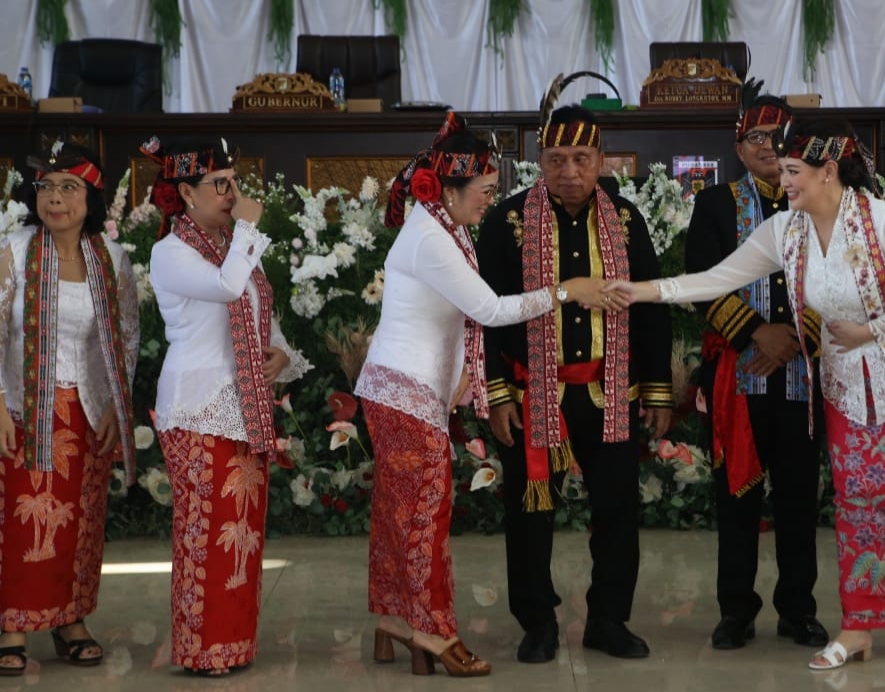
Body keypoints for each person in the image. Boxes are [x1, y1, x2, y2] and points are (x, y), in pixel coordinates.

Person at [604, 120, 885, 668]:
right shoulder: (787, 230)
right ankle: (860, 627)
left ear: (829, 172)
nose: (785, 181)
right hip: (848, 385)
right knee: (858, 501)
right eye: (782, 171)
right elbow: (714, 279)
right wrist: (640, 291)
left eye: (794, 172)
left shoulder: (883, 220)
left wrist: (870, 331)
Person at [356, 112, 616, 677]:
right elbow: (492, 309)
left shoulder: (441, 226)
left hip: (406, 389)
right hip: (403, 392)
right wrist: (565, 291)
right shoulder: (431, 236)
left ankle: (394, 623)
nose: (489, 202)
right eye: (483, 192)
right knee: (424, 515)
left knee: (401, 514)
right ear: (448, 188)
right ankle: (433, 631)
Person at [476, 104, 673, 663]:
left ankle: (608, 619)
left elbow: (652, 308)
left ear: (601, 160)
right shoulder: (506, 222)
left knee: (616, 512)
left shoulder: (627, 220)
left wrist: (657, 390)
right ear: (539, 161)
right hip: (532, 397)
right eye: (556, 159)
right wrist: (495, 393)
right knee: (530, 514)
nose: (569, 171)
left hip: (611, 395)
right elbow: (486, 312)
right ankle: (536, 621)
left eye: (581, 159)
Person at [144, 137, 310, 676]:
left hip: (245, 405)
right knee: (204, 532)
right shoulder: (172, 251)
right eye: (220, 184)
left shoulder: (229, 245)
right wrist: (249, 228)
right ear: (186, 193)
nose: (232, 194)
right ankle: (199, 648)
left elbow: (258, 305)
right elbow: (225, 287)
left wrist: (281, 352)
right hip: (197, 409)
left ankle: (234, 644)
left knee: (240, 531)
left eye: (235, 182)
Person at [685, 82, 828, 651]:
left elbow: (839, 280)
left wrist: (795, 338)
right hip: (738, 381)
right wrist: (755, 334)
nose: (768, 146)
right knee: (737, 500)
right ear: (739, 149)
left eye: (778, 137)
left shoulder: (820, 201)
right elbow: (701, 284)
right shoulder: (715, 205)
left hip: (802, 377)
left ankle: (798, 609)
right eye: (756, 138)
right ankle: (735, 611)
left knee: (798, 499)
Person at [0, 144, 139, 676]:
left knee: (79, 521)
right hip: (22, 406)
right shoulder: (14, 250)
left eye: (68, 188)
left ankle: (71, 619)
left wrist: (114, 406)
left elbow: (126, 335)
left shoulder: (113, 259)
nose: (54, 199)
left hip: (86, 410)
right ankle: (11, 623)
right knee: (22, 520)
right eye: (46, 188)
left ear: (91, 198)